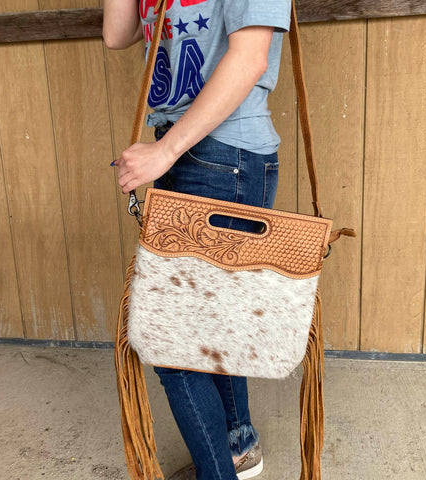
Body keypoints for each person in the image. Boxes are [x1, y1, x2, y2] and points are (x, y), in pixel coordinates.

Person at [103, 1, 291, 479]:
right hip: (184, 148)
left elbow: (250, 58)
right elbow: (116, 33)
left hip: (221, 154)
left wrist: (164, 151)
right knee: (211, 330)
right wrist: (166, 151)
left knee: (172, 341)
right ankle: (237, 447)